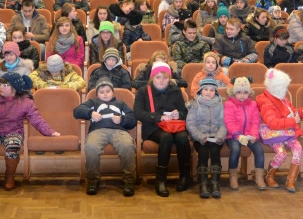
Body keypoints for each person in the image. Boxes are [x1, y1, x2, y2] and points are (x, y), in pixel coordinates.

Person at [0, 72, 60, 190]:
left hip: (14, 132)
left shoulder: (25, 102)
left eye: (5, 85)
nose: (1, 87)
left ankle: (10, 176)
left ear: (15, 88)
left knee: (13, 146)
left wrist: (50, 131)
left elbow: (37, 119)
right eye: (0, 84)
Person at [133, 62, 190, 197]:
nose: (161, 80)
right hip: (153, 127)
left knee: (183, 138)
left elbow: (184, 111)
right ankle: (161, 179)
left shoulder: (176, 90)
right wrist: (157, 117)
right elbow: (138, 112)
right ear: (152, 78)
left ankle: (185, 176)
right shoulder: (143, 92)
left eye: (165, 78)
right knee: (166, 137)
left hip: (173, 125)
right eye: (158, 77)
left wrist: (179, 114)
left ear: (169, 78)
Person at [74, 78, 136, 196]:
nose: (105, 94)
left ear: (113, 92)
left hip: (119, 131)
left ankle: (129, 181)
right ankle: (93, 180)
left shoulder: (121, 104)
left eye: (108, 91)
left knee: (127, 146)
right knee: (91, 147)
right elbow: (77, 111)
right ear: (97, 94)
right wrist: (91, 113)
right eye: (101, 92)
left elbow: (132, 120)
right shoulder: (93, 103)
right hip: (98, 130)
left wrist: (122, 120)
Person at [257, 68, 303, 192]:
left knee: (298, 149)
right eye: (283, 87)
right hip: (275, 135)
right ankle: (270, 175)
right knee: (281, 153)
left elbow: (291, 112)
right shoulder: (265, 102)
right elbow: (272, 123)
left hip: (288, 132)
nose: (286, 90)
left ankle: (291, 180)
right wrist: (293, 120)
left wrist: (300, 113)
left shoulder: (283, 98)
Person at [223, 77, 267, 190]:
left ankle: (259, 178)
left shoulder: (253, 104)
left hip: (249, 135)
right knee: (235, 149)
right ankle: (233, 177)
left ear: (249, 93)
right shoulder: (229, 104)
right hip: (233, 136)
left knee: (259, 150)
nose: (242, 95)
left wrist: (254, 135)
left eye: (245, 92)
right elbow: (229, 122)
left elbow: (255, 121)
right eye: (239, 92)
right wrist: (238, 135)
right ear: (234, 93)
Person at [187, 77, 227, 199]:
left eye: (212, 90)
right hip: (200, 137)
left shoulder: (220, 105)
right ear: (200, 91)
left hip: (216, 137)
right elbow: (190, 124)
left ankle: (215, 183)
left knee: (215, 151)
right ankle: (203, 183)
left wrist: (220, 136)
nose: (208, 92)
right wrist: (200, 137)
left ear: (216, 92)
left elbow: (223, 124)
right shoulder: (194, 105)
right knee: (203, 153)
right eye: (206, 89)